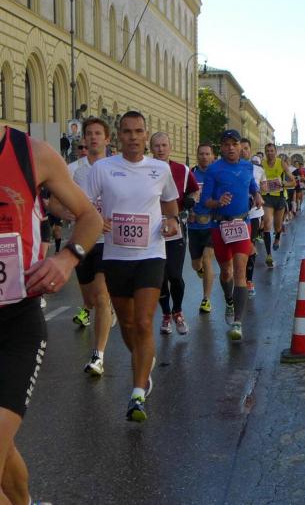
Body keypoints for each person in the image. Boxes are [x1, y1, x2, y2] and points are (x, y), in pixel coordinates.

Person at [0, 125, 103, 505]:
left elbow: (89, 216)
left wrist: (67, 257)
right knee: (4, 447)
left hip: (14, 326)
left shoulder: (32, 153)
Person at [85, 111, 181, 422]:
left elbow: (170, 204)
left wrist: (171, 220)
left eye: (139, 131)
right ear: (119, 135)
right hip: (116, 256)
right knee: (127, 325)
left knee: (142, 322)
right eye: (127, 131)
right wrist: (97, 219)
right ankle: (142, 358)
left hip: (151, 254)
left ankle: (137, 393)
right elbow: (84, 204)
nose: (133, 137)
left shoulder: (160, 169)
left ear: (146, 135)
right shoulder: (103, 168)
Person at [60, 118, 117, 375]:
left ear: (107, 139)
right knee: (90, 299)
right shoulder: (72, 170)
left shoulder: (117, 168)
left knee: (102, 296)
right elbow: (54, 202)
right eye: (89, 134)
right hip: (82, 240)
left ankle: (98, 356)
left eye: (98, 133)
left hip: (109, 242)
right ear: (83, 138)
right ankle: (104, 309)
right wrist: (72, 213)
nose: (93, 137)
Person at [199, 130, 263, 341]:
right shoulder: (214, 169)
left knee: (239, 272)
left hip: (242, 224)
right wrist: (218, 202)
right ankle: (229, 300)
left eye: (234, 144)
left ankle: (237, 322)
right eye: (226, 144)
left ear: (239, 146)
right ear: (221, 147)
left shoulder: (247, 166)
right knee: (226, 271)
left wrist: (257, 195)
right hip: (220, 226)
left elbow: (252, 185)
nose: (231, 148)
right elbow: (205, 201)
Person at [150, 132, 199, 335]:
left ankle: (178, 312)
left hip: (175, 226)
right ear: (151, 148)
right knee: (160, 277)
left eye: (164, 145)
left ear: (170, 147)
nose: (161, 149)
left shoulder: (182, 170)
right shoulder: (145, 169)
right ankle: (166, 314)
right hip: (152, 229)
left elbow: (195, 190)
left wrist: (191, 199)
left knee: (175, 275)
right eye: (157, 145)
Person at [188, 143, 216, 314]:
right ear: (197, 155)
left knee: (207, 259)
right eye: (201, 154)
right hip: (194, 224)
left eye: (207, 154)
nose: (204, 157)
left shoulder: (216, 174)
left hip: (212, 224)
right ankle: (201, 271)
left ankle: (206, 299)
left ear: (212, 156)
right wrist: (189, 210)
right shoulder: (190, 174)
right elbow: (184, 196)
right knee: (196, 264)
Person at [260, 143, 295, 266]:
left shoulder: (281, 163)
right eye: (267, 151)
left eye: (271, 151)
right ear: (265, 152)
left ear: (275, 152)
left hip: (279, 197)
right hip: (266, 197)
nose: (269, 153)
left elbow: (293, 182)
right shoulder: (262, 164)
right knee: (267, 224)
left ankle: (277, 237)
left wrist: (283, 184)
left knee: (278, 226)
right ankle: (269, 255)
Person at [242, 140, 265, 296]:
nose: (243, 151)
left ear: (250, 151)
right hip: (235, 214)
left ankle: (248, 280)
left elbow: (263, 187)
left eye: (246, 148)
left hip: (253, 213)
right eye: (241, 148)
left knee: (250, 245)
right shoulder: (228, 168)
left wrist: (259, 195)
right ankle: (238, 276)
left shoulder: (258, 170)